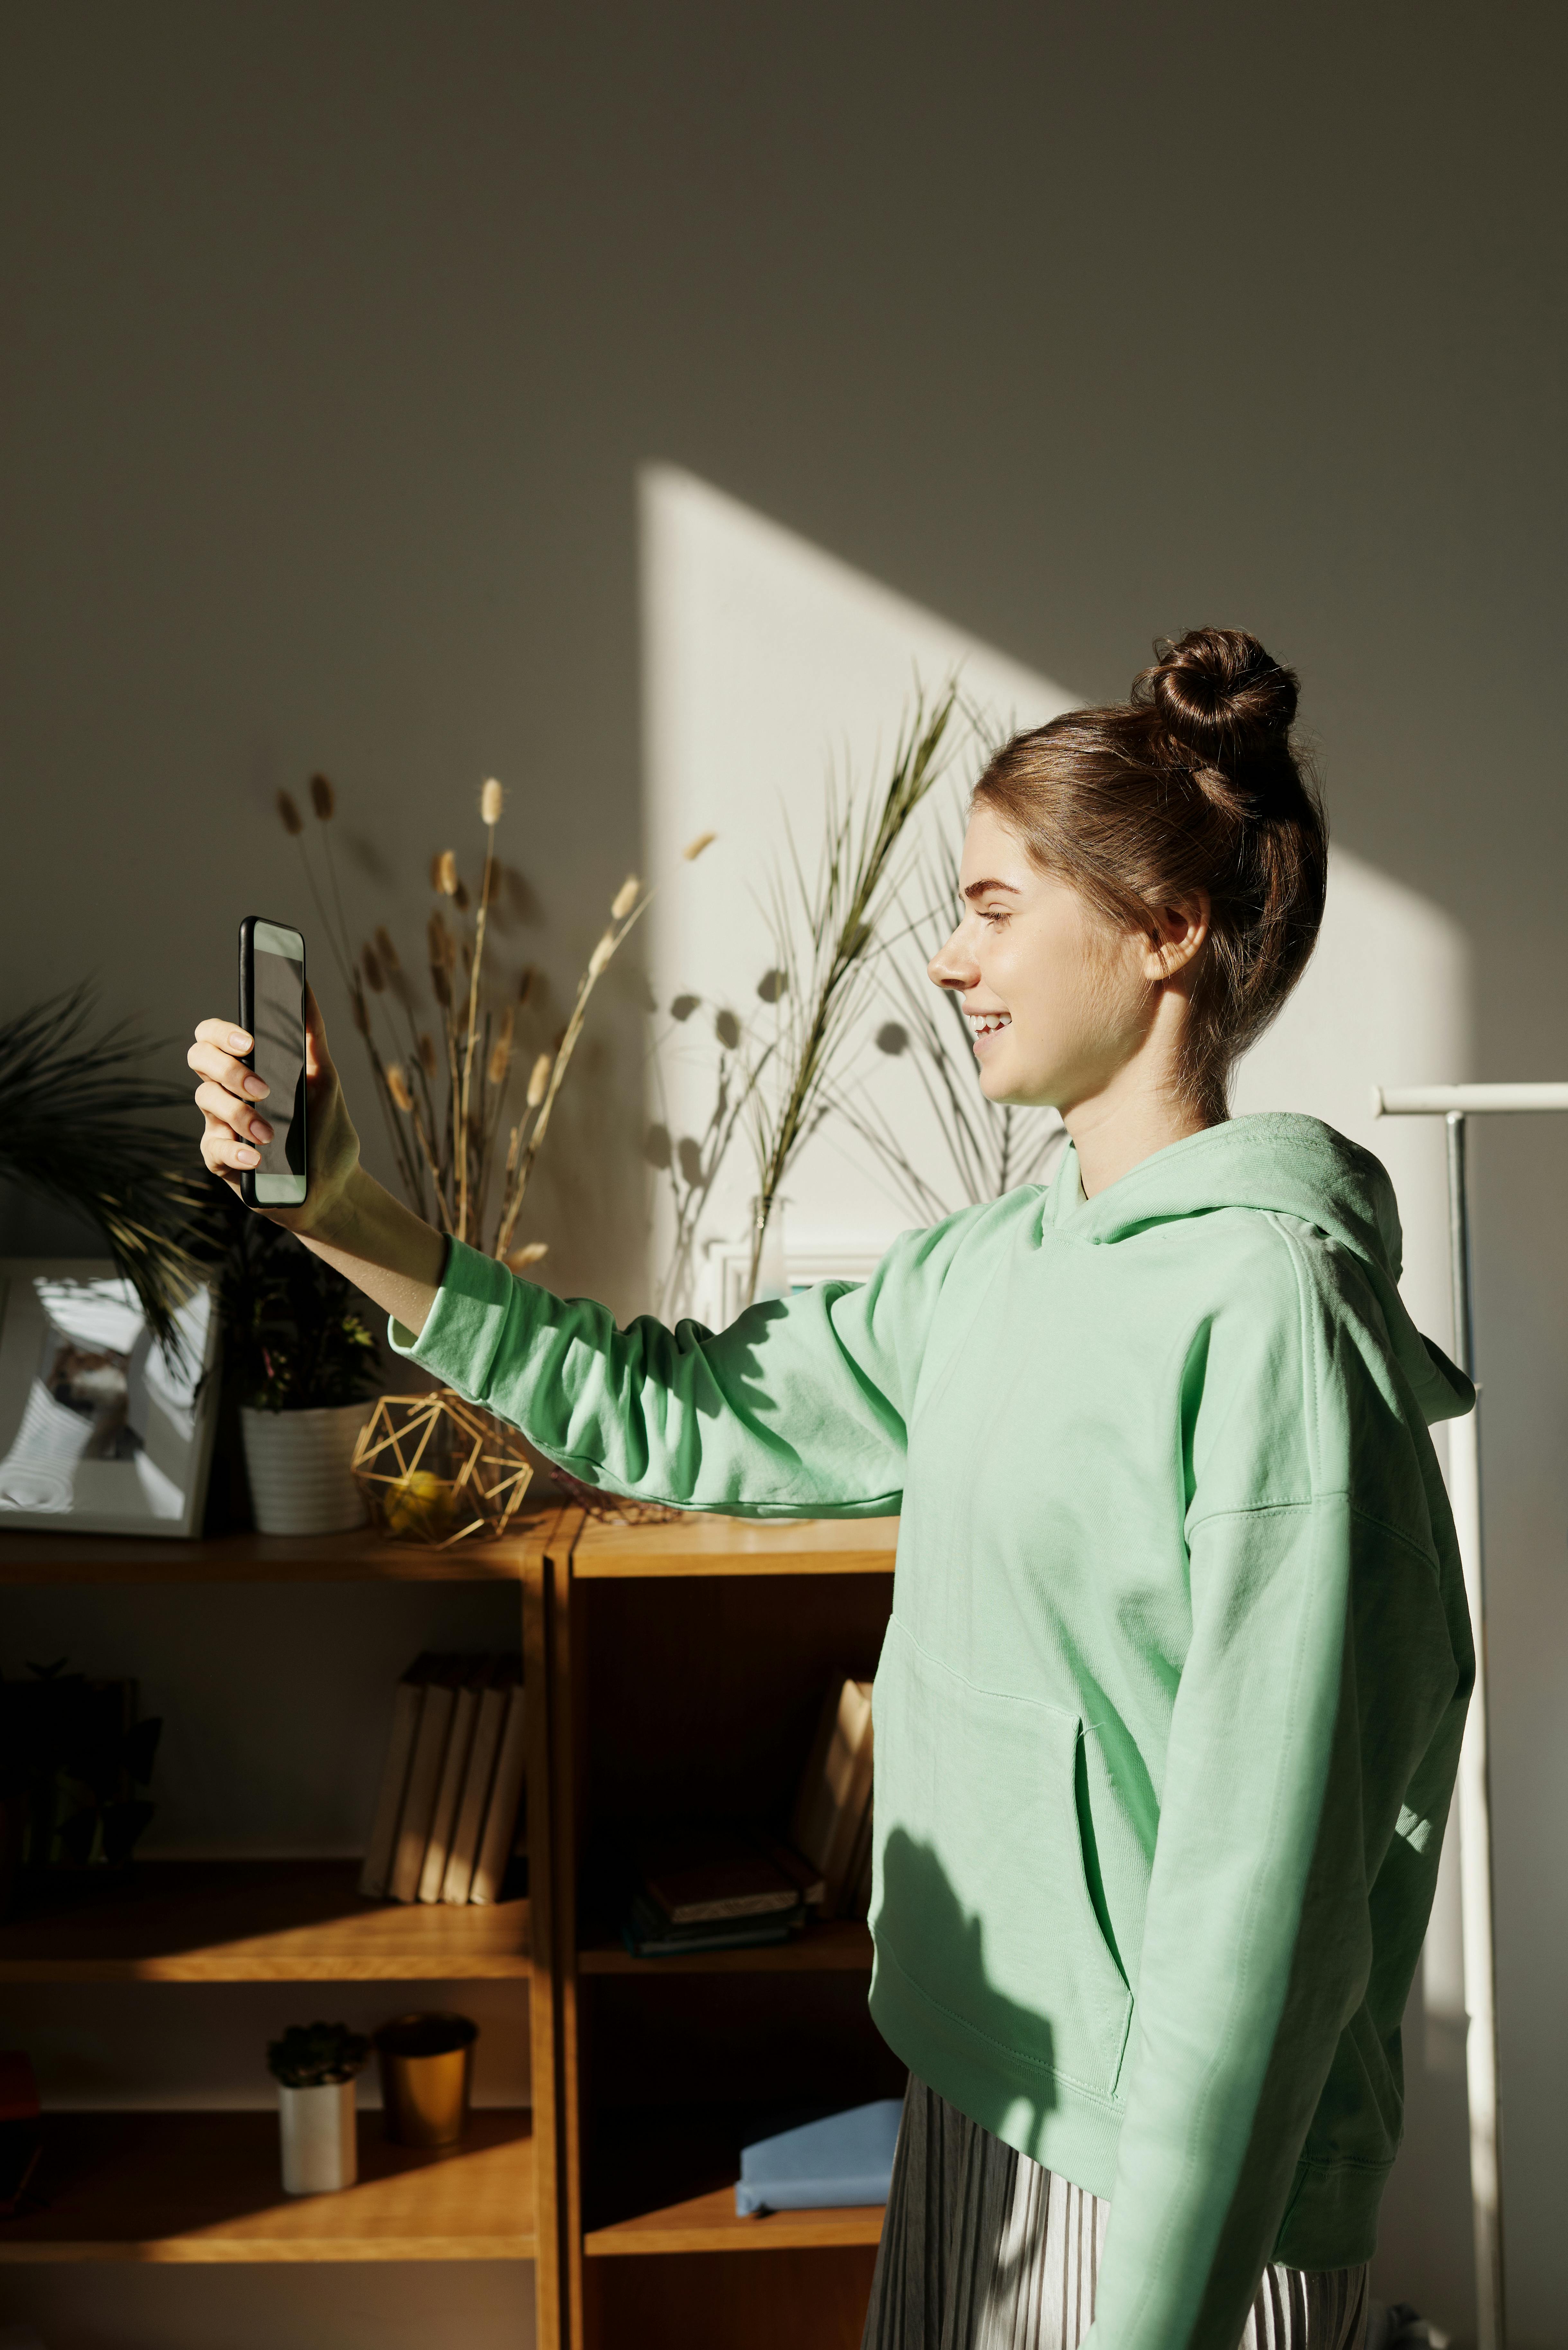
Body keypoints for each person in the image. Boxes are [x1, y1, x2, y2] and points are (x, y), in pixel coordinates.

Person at [191, 629, 1472, 2350]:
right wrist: (346, 1211)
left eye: (998, 906)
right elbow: (677, 1417)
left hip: (1165, 2201)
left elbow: (1268, 1915)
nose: (951, 960)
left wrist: (1157, 2313)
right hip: (975, 2105)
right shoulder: (994, 1270)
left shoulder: (1272, 1322)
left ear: (1168, 934)